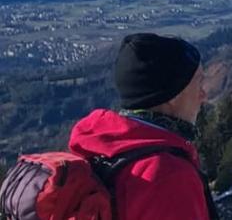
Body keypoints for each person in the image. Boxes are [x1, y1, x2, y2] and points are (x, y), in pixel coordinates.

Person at [64, 33, 215, 220]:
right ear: (174, 94)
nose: (204, 95)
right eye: (199, 82)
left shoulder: (99, 147)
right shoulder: (170, 176)